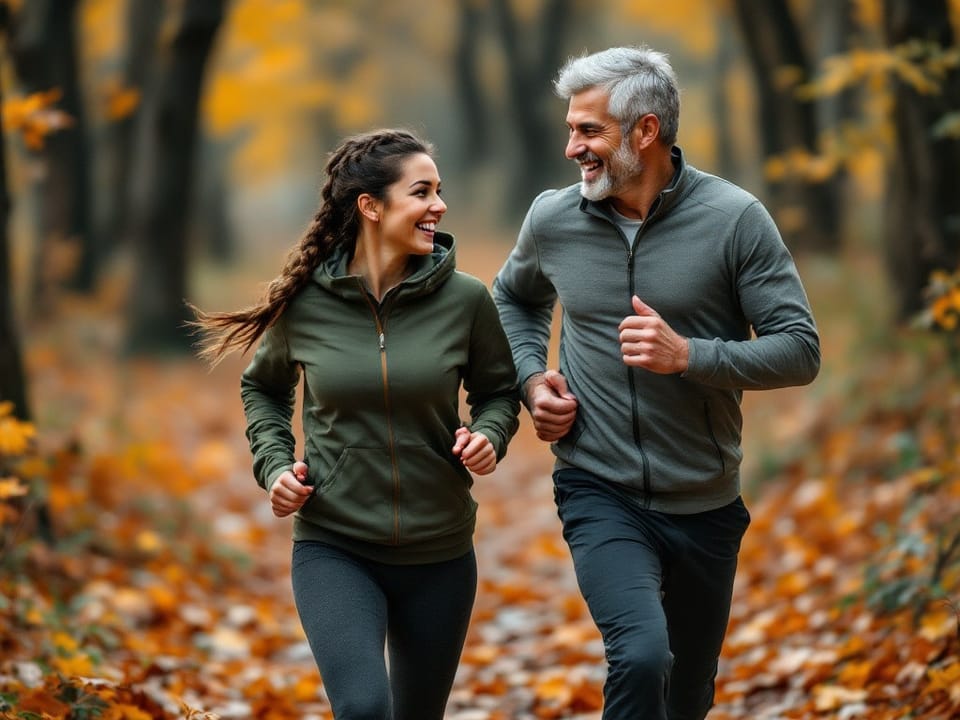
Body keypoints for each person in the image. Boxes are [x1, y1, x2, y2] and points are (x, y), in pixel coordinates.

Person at [492, 46, 820, 719]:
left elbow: (799, 350)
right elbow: (513, 299)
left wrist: (690, 356)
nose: (570, 148)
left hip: (704, 496)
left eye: (589, 131)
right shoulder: (554, 220)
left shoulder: (734, 219)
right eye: (570, 128)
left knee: (688, 692)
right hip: (596, 483)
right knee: (642, 656)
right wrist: (532, 381)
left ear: (645, 130)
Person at [190, 128, 520, 720]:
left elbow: (498, 392)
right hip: (335, 546)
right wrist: (273, 465)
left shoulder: (467, 300)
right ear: (371, 206)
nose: (438, 206)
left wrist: (489, 435)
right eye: (421, 192)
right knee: (364, 707)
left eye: (439, 191)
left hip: (439, 549)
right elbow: (263, 389)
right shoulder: (306, 303)